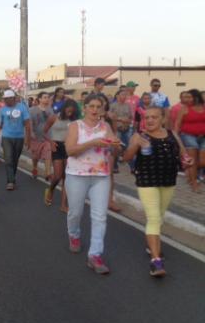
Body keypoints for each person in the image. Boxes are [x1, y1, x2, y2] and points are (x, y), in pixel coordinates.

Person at [124, 106, 191, 277]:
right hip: (147, 182)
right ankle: (156, 261)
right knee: (153, 218)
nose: (150, 120)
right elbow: (126, 158)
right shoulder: (139, 136)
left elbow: (183, 154)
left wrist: (187, 160)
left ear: (162, 119)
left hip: (168, 181)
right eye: (147, 117)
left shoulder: (172, 134)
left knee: (159, 217)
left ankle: (151, 244)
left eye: (154, 117)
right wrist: (136, 145)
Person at [65, 95, 120, 274]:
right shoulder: (75, 126)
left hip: (101, 176)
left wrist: (116, 145)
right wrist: (93, 142)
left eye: (99, 107)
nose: (95, 110)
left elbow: (114, 147)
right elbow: (70, 150)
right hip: (76, 174)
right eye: (92, 106)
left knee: (100, 216)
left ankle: (95, 255)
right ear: (85, 107)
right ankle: (74, 234)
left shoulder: (106, 127)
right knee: (75, 212)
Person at [43, 99, 79, 212]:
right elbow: (44, 131)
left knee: (67, 178)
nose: (70, 113)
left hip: (69, 147)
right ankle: (51, 189)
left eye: (72, 112)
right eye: (68, 111)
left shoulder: (75, 120)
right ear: (64, 109)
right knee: (58, 175)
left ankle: (63, 205)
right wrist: (50, 141)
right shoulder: (54, 117)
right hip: (57, 147)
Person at [174, 89, 205, 193]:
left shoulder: (203, 107)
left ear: (196, 98)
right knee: (192, 161)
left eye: (189, 97)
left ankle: (190, 171)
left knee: (202, 162)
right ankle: (194, 184)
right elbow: (177, 125)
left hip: (203, 137)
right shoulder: (184, 109)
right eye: (185, 97)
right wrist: (176, 139)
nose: (186, 99)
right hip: (188, 136)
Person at [0, 89, 31, 191]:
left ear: (13, 98)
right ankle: (10, 182)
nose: (5, 101)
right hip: (6, 137)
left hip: (19, 137)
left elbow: (27, 123)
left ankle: (12, 177)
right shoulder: (2, 110)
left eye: (7, 99)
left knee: (15, 159)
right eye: (4, 99)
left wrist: (28, 138)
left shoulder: (22, 108)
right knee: (8, 158)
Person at [29, 92, 54, 180]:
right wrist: (31, 132)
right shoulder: (32, 110)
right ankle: (35, 167)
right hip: (36, 137)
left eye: (48, 97)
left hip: (47, 137)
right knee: (35, 156)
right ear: (39, 99)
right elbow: (30, 122)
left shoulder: (50, 110)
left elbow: (53, 122)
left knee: (48, 153)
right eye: (44, 97)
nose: (47, 99)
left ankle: (47, 173)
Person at [109, 89, 133, 173]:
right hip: (117, 130)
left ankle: (132, 167)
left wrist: (127, 121)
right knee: (116, 148)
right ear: (117, 96)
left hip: (126, 129)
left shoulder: (127, 106)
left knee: (129, 148)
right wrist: (121, 119)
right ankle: (115, 165)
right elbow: (110, 117)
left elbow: (130, 118)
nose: (124, 96)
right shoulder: (112, 106)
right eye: (122, 94)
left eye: (125, 95)